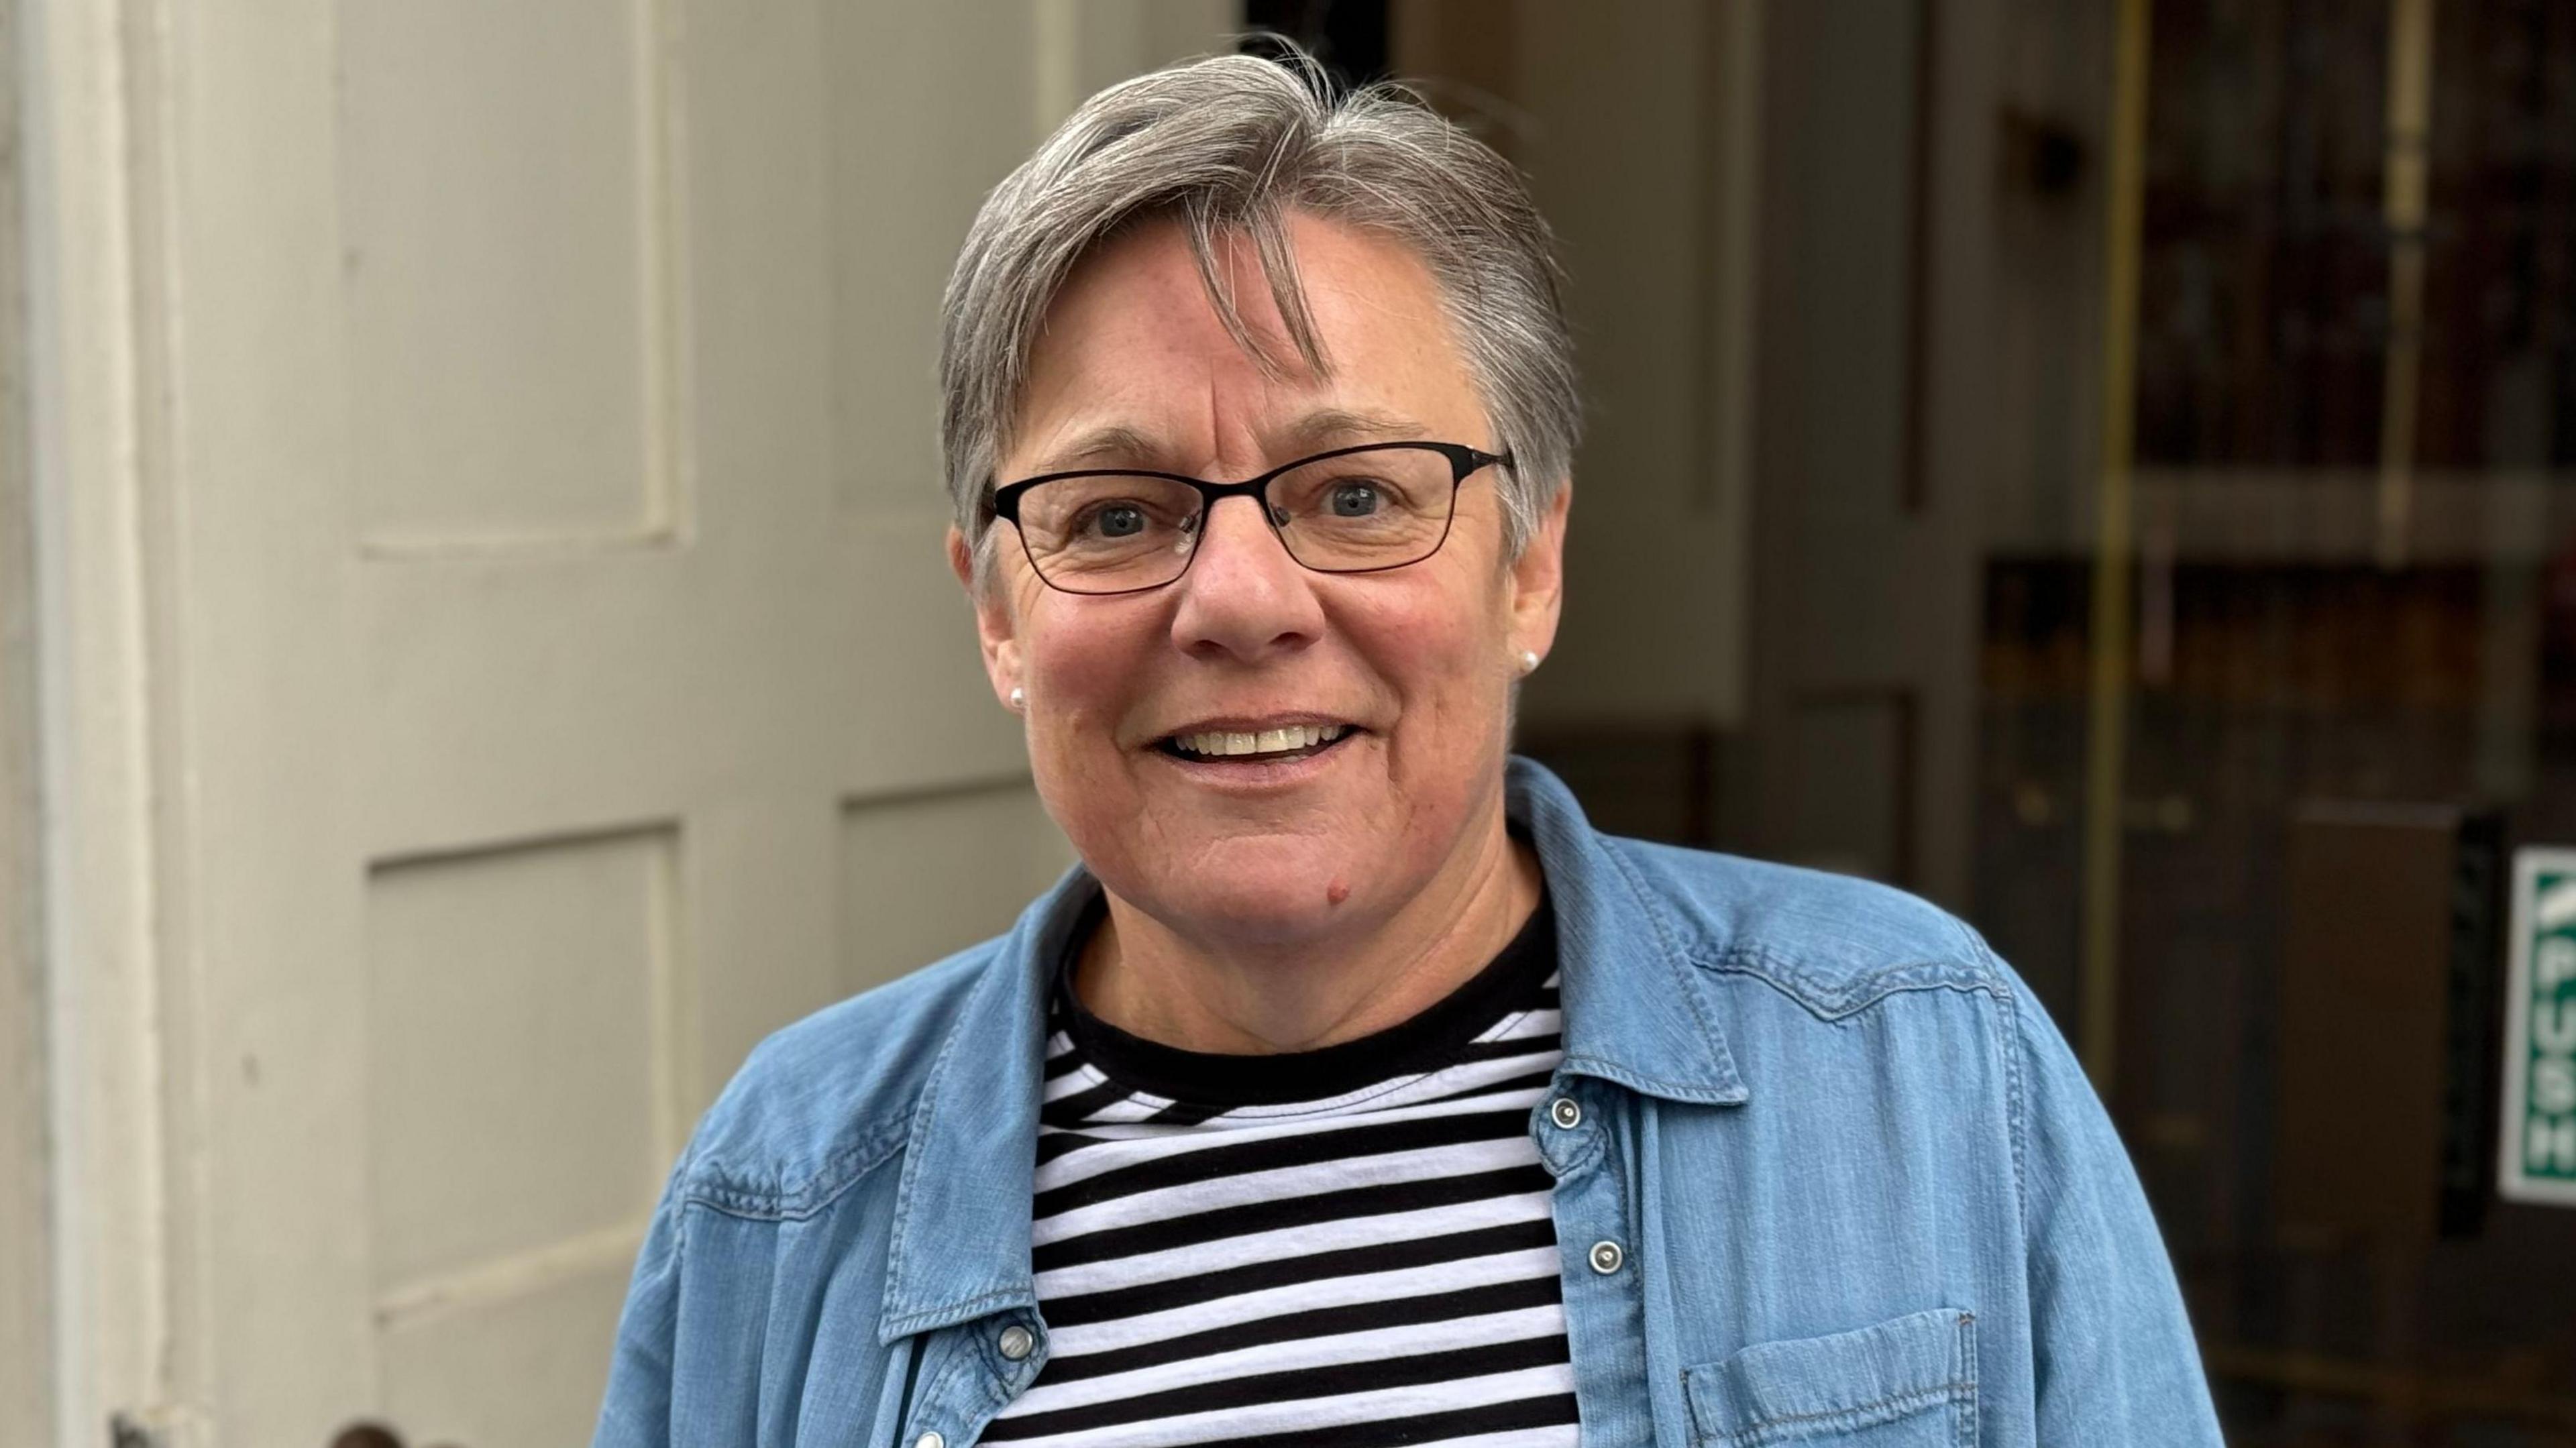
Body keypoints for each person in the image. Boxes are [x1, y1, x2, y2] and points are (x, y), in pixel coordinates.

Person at [594, 45, 2224, 1448]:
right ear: (1000, 617)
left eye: (1357, 493)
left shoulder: (1919, 1071)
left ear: (1530, 566)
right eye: (1116, 512)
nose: (1239, 601)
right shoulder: (784, 1194)